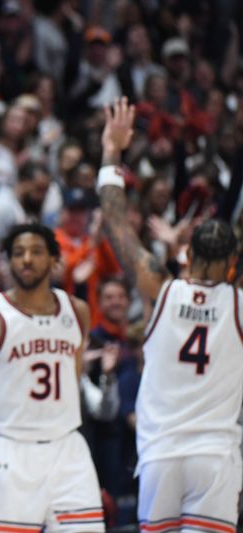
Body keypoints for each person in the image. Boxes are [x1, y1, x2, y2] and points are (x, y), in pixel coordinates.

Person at [98, 97, 243, 532]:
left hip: (161, 452)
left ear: (188, 253)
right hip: (215, 455)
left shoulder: (158, 287)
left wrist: (111, 154)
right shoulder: (238, 303)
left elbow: (116, 225)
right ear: (232, 263)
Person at [0, 222, 105, 532]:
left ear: (55, 260)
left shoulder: (78, 311)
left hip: (67, 448)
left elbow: (73, 377)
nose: (26, 259)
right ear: (8, 262)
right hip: (8, 452)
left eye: (36, 252)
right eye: (18, 253)